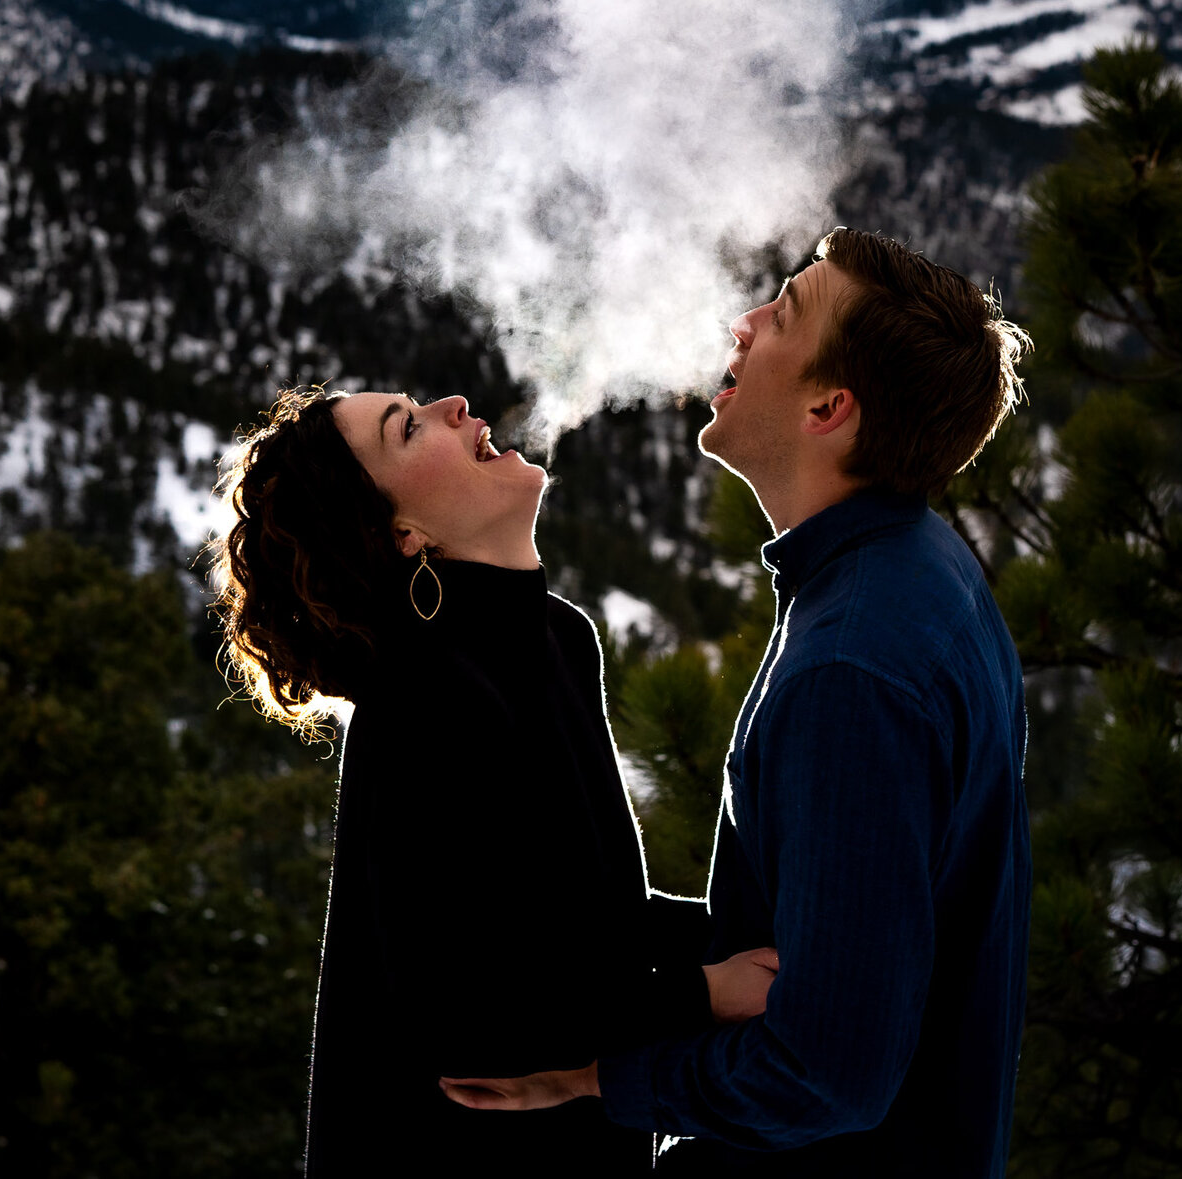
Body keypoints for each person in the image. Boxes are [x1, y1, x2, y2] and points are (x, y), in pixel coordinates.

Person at [438, 228, 1035, 1176]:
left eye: (784, 312)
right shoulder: (919, 571)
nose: (745, 322)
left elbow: (824, 1073)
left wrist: (599, 1072)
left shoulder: (850, 671)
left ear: (828, 406)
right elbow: (823, 940)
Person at [211, 385, 781, 1176]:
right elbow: (470, 1021)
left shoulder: (560, 639)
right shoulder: (416, 700)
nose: (452, 403)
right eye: (406, 428)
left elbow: (582, 919)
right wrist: (701, 993)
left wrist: (754, 933)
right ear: (404, 533)